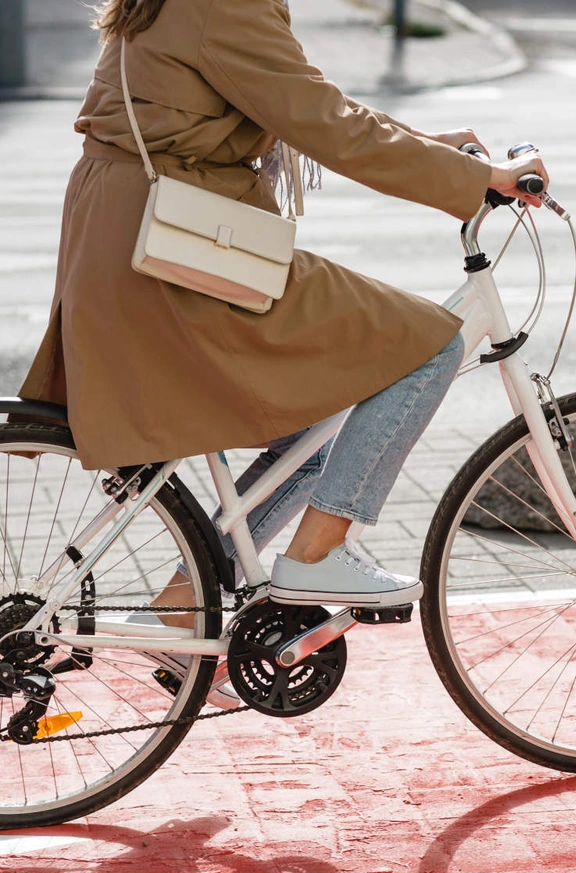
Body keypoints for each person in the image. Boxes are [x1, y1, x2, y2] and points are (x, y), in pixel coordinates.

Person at [18, 0, 548, 622]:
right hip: (172, 243)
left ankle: (184, 605)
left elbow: (296, 102)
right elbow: (324, 123)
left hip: (141, 231)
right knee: (429, 346)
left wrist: (433, 150)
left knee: (306, 430)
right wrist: (480, 178)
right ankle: (319, 554)